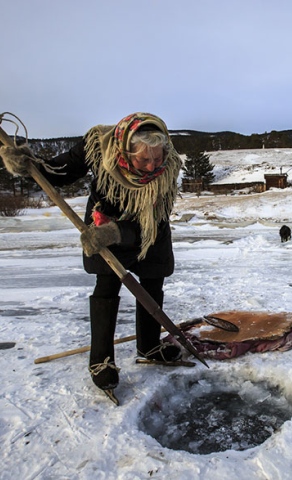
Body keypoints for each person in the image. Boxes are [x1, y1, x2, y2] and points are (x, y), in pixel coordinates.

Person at [0, 112, 184, 396]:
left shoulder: (167, 169)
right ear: (124, 150)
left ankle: (150, 345)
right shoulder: (99, 145)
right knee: (107, 284)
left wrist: (119, 232)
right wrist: (27, 164)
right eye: (143, 160)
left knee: (153, 279)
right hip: (103, 221)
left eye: (157, 158)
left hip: (148, 227)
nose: (151, 166)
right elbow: (58, 172)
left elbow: (156, 219)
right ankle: (101, 360)